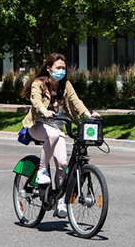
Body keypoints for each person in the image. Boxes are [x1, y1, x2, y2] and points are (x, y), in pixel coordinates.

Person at [20, 52, 99, 218]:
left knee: (63, 164)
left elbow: (76, 102)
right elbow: (36, 101)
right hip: (38, 125)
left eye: (64, 68)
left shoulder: (66, 85)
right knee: (54, 135)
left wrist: (88, 115)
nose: (62, 71)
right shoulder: (38, 84)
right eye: (58, 67)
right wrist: (44, 111)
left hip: (57, 126)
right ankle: (42, 171)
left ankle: (60, 200)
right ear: (49, 69)